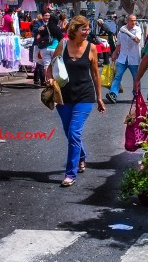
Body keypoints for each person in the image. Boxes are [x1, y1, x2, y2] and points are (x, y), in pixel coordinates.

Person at [46, 16, 106, 187]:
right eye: (84, 29)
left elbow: (95, 74)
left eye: (88, 29)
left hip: (85, 96)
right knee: (69, 132)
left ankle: (70, 174)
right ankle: (81, 155)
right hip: (63, 96)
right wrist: (49, 80)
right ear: (74, 29)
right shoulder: (63, 45)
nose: (87, 32)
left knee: (74, 132)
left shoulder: (92, 48)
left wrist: (99, 97)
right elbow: (52, 66)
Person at [105, 14, 142, 104]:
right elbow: (119, 44)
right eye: (131, 20)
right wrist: (114, 53)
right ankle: (113, 94)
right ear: (127, 21)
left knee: (136, 78)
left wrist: (127, 32)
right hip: (123, 57)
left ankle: (137, 95)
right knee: (117, 76)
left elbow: (137, 40)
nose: (133, 22)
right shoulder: (122, 30)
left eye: (135, 20)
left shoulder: (137, 29)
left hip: (133, 58)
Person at [34, 12, 63, 86]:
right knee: (55, 65)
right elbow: (61, 40)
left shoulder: (44, 27)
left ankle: (48, 81)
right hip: (55, 49)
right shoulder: (57, 29)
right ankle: (55, 81)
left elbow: (38, 37)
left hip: (44, 49)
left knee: (46, 65)